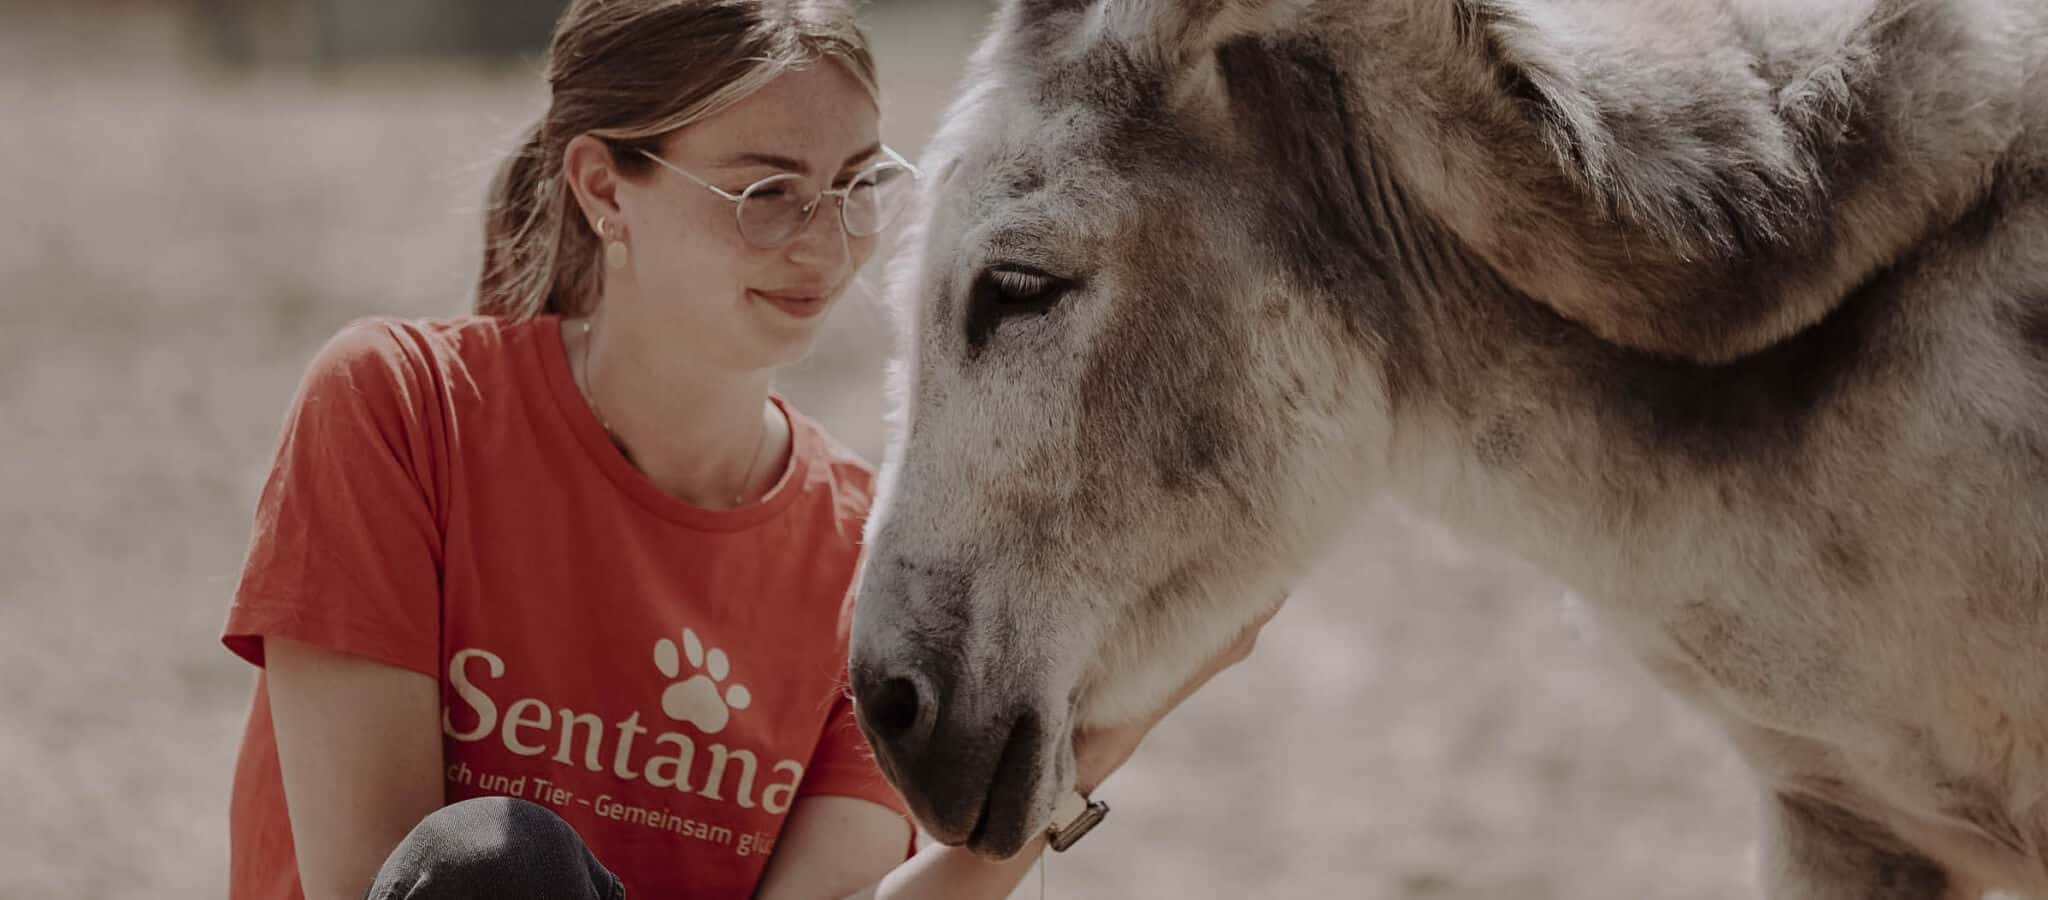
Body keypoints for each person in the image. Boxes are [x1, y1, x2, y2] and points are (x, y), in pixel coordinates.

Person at [218, 1, 1274, 898]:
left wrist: (1119, 720)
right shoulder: (400, 408)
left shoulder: (867, 552)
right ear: (601, 189)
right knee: (492, 865)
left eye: (857, 182)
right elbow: (378, 876)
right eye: (767, 192)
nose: (825, 241)